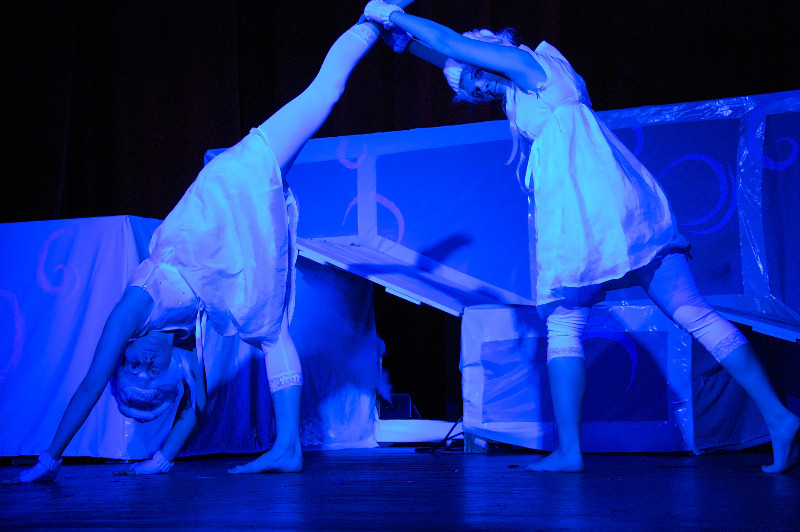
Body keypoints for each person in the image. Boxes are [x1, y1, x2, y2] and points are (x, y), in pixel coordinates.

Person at [362, 0, 800, 473]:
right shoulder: (527, 78)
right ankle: (778, 418)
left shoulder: (528, 64)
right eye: (475, 91)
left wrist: (391, 14)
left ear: (484, 56)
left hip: (587, 207)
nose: (482, 90)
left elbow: (454, 45)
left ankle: (570, 451)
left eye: (477, 79)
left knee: (566, 322)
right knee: (688, 311)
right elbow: (452, 54)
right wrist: (408, 47)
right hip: (619, 200)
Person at [15, 16, 384, 482]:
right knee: (270, 331)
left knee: (321, 97)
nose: (145, 364)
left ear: (125, 353)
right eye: (153, 373)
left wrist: (50, 458)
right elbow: (197, 405)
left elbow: (90, 385)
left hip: (225, 196)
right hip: (234, 236)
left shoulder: (132, 311)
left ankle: (376, 17)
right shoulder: (182, 341)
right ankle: (288, 447)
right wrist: (161, 459)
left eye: (135, 365)